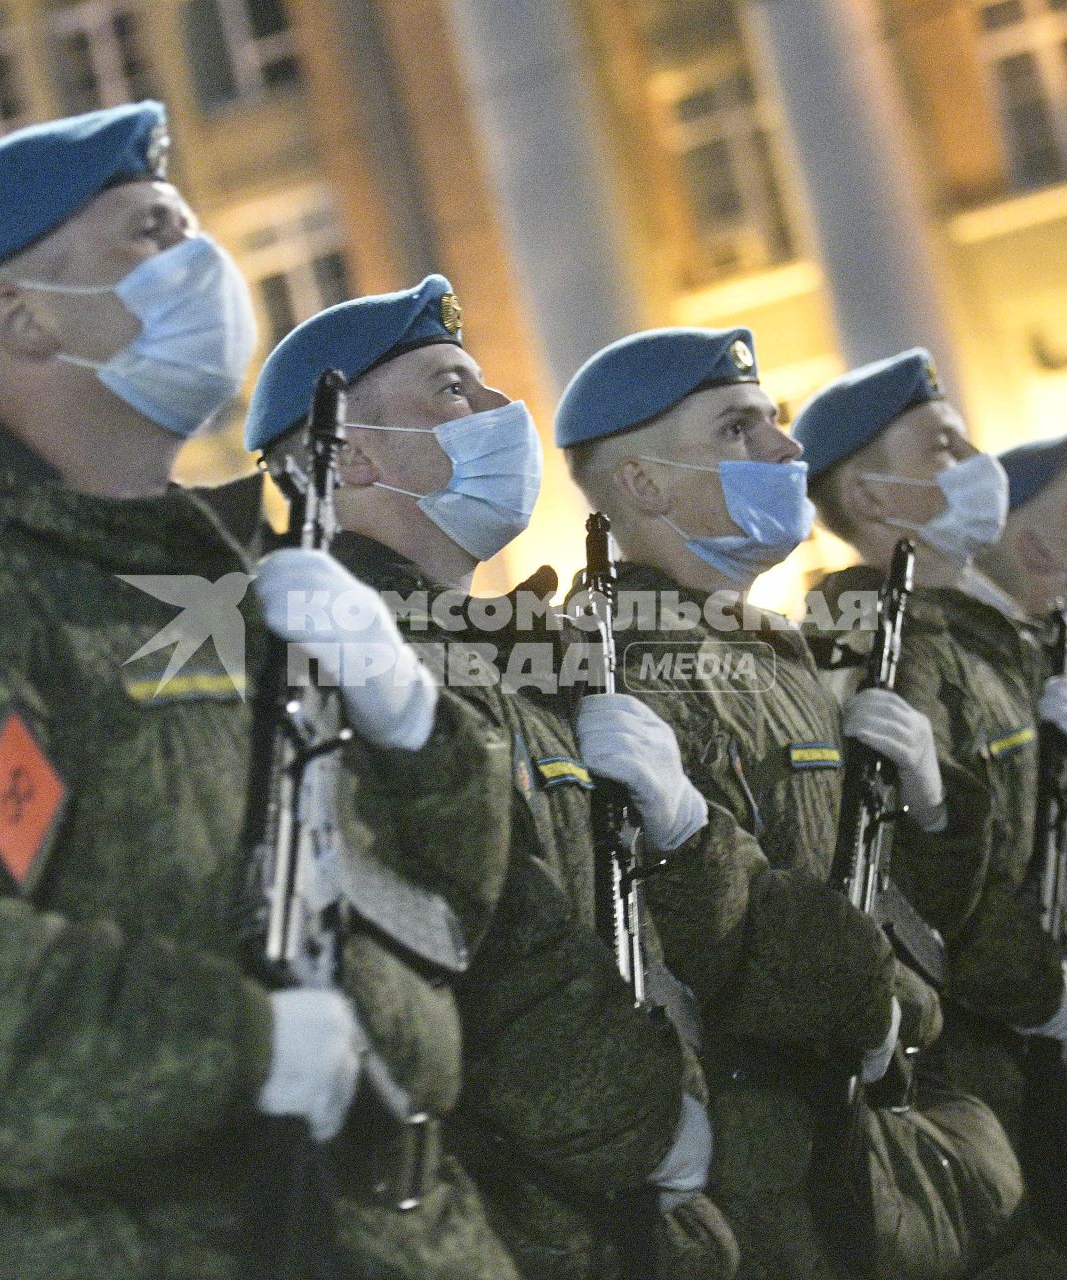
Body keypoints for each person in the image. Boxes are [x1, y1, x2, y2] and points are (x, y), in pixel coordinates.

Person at [0, 103, 520, 1280]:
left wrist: (417, 731)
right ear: (24, 316)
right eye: (150, 234)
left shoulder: (221, 582)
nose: (204, 265)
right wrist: (233, 1045)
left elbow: (456, 912)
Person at [245, 277, 738, 1280]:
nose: (494, 411)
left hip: (621, 1217)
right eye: (450, 389)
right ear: (354, 454)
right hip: (493, 1225)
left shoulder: (522, 655)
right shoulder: (326, 666)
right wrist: (639, 1119)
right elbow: (451, 964)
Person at [560, 328, 1024, 1280]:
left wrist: (937, 813)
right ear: (643, 486)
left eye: (772, 421)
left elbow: (894, 901)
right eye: (738, 430)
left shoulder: (771, 648)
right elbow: (706, 938)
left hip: (868, 1128)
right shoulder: (619, 667)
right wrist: (868, 1003)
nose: (785, 451)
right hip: (769, 1182)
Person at [795, 353, 1067, 1274]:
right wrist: (1039, 989)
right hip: (994, 1063)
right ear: (870, 494)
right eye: (944, 447)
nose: (976, 462)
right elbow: (914, 877)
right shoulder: (881, 642)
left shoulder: (980, 638)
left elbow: (1062, 844)